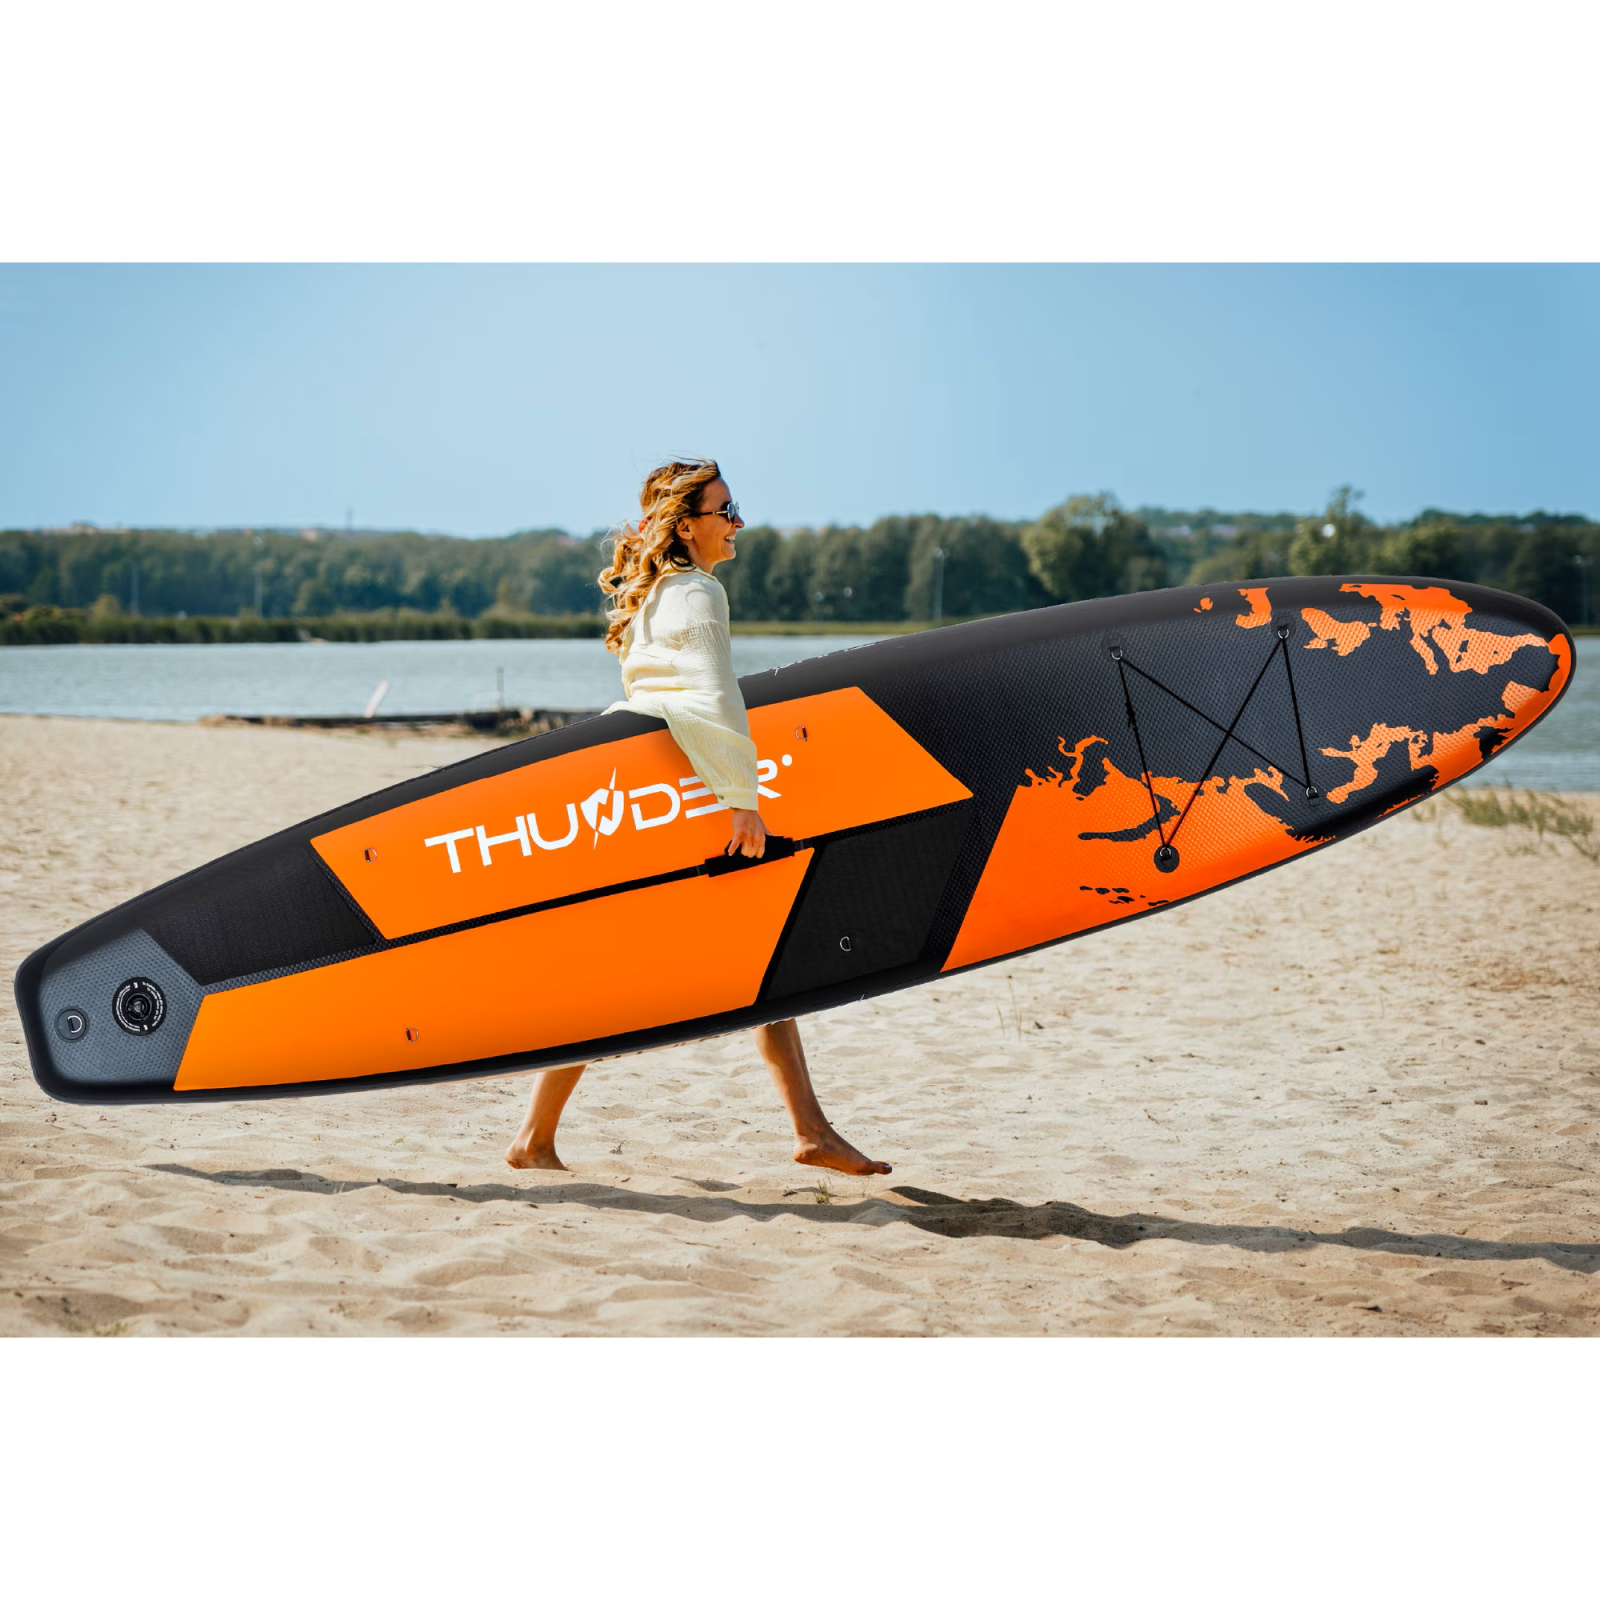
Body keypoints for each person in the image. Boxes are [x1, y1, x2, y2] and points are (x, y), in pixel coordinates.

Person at [506, 459, 892, 1178]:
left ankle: (538, 1138)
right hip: (691, 801)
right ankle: (535, 1138)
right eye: (726, 510)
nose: (739, 522)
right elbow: (712, 694)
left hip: (646, 794)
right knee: (702, 966)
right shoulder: (697, 591)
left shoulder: (657, 592)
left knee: (731, 963)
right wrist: (741, 797)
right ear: (687, 527)